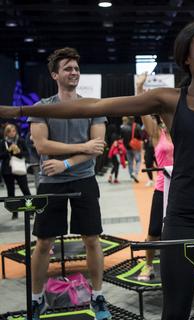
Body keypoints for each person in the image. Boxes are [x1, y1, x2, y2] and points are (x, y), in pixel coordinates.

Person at [2, 22, 194, 320]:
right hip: (185, 215)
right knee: (175, 309)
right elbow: (93, 107)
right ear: (186, 58)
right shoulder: (167, 100)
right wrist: (19, 111)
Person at [26, 47, 111, 320]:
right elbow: (41, 144)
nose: (73, 72)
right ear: (55, 74)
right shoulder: (42, 106)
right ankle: (37, 298)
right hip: (50, 183)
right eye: (67, 68)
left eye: (76, 68)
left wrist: (65, 163)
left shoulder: (93, 106)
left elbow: (97, 147)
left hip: (83, 179)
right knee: (43, 242)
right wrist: (82, 147)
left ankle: (97, 295)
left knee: (92, 239)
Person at [135, 73, 174, 281]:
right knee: (154, 230)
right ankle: (148, 265)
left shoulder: (180, 128)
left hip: (184, 186)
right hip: (162, 186)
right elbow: (142, 109)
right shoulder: (157, 133)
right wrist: (140, 88)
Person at [0, 123, 31, 219]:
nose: (12, 133)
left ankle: (30, 210)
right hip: (7, 170)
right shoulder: (3, 143)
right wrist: (8, 151)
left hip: (19, 168)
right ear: (6, 133)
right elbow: (0, 156)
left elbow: (26, 154)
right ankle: (14, 212)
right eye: (9, 131)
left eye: (13, 131)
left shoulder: (20, 141)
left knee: (25, 189)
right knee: (10, 192)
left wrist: (19, 151)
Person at [120, 116, 142, 182]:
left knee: (130, 162)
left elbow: (122, 137)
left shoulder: (124, 127)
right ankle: (135, 173)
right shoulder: (137, 126)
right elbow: (141, 136)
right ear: (134, 119)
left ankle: (131, 173)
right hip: (135, 147)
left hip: (127, 147)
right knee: (138, 161)